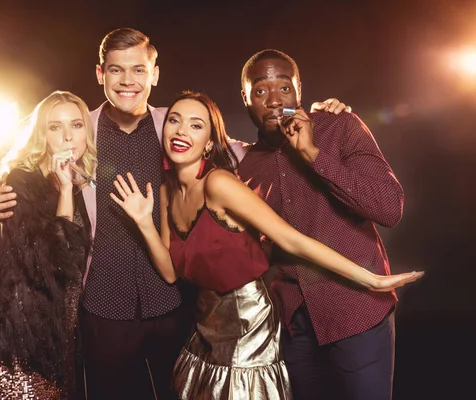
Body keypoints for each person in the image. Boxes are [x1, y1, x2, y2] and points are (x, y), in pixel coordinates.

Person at [0, 28, 351, 400]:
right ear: (100, 74)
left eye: (139, 70)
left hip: (174, 304)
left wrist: (322, 116)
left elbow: (253, 148)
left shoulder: (174, 124)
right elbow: (37, 190)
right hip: (100, 308)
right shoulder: (80, 130)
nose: (128, 80)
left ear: (154, 74)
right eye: (116, 71)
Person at [110, 91, 423, 400]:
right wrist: (142, 222)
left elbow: (291, 239)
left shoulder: (219, 183)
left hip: (250, 323)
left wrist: (372, 279)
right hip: (206, 326)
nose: (181, 130)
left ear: (209, 142)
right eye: (174, 121)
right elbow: (168, 272)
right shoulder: (166, 190)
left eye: (196, 125)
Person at [238, 49, 407, 400]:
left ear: (300, 90)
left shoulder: (340, 127)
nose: (273, 100)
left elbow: (389, 208)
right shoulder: (245, 166)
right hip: (295, 325)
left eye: (284, 88)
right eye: (260, 90)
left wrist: (315, 156)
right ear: (245, 98)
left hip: (357, 310)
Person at [0, 90, 96, 400]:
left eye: (77, 125)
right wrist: (65, 190)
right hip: (25, 341)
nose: (68, 136)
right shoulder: (21, 182)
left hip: (63, 334)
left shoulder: (83, 183)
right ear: (41, 134)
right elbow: (54, 266)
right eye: (55, 127)